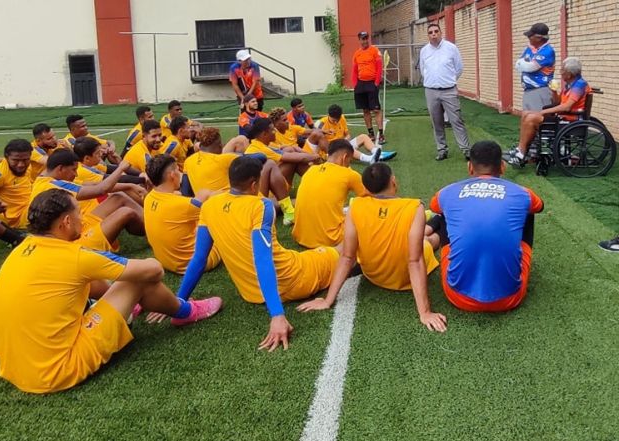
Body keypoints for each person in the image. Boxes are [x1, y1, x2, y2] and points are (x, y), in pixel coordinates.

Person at [0, 188, 222, 394]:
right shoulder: (75, 257)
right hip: (58, 370)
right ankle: (186, 312)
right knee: (139, 278)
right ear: (67, 222)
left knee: (95, 281)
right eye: (79, 214)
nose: (84, 218)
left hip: (15, 369)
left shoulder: (22, 249)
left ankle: (137, 305)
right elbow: (154, 270)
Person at [177, 157, 340, 351]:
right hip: (294, 278)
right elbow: (263, 259)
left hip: (250, 293)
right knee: (342, 250)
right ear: (254, 184)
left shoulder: (210, 205)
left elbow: (199, 258)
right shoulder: (261, 205)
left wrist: (179, 301)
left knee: (315, 253)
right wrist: (277, 315)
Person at [297, 163, 448, 333]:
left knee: (420, 237)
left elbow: (348, 256)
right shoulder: (414, 206)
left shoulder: (356, 206)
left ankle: (435, 221)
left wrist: (327, 300)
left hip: (374, 276)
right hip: (404, 277)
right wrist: (425, 312)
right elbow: (415, 260)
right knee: (427, 241)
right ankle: (439, 220)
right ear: (393, 181)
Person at [430, 141, 544, 312]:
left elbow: (434, 207)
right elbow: (540, 206)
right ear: (503, 167)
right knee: (528, 211)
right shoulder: (523, 193)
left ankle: (429, 237)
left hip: (457, 297)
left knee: (444, 213)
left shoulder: (447, 192)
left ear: (470, 167)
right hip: (510, 298)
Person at [32, 150, 144, 252]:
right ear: (60, 169)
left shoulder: (43, 180)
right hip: (74, 238)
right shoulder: (53, 185)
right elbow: (101, 189)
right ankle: (154, 228)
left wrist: (129, 186)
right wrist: (121, 168)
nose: (75, 174)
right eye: (74, 170)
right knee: (125, 211)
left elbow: (93, 184)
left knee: (118, 197)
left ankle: (152, 223)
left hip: (73, 227)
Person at [505, 57, 591, 167]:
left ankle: (521, 154)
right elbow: (558, 102)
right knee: (526, 114)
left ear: (569, 74)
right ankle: (521, 149)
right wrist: (554, 91)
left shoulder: (579, 85)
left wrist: (544, 112)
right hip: (563, 117)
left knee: (532, 118)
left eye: (562, 71)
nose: (560, 73)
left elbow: (566, 107)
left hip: (569, 120)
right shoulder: (570, 84)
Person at [144, 155, 221, 274]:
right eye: (177, 169)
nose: (180, 172)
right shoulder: (182, 205)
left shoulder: (149, 198)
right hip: (195, 263)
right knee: (218, 210)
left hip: (166, 261)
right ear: (172, 175)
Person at [292, 139, 367, 249]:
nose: (348, 165)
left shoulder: (311, 170)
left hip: (300, 237)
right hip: (330, 239)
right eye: (349, 161)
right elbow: (370, 198)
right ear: (345, 157)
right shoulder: (349, 174)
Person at [419, 23, 471, 161]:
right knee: (437, 122)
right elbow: (423, 69)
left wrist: (448, 80)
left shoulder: (451, 48)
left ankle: (466, 150)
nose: (434, 34)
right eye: (430, 32)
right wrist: (433, 82)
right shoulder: (424, 51)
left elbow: (459, 68)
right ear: (428, 35)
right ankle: (442, 150)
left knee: (457, 120)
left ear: (441, 33)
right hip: (431, 91)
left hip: (449, 90)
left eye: (436, 31)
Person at [0, 139, 36, 228]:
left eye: (25, 160)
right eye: (16, 160)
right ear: (6, 157)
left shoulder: (28, 167)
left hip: (30, 206)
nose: (21, 165)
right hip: (17, 218)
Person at [315, 104, 394, 163]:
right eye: (333, 120)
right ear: (328, 115)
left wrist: (346, 140)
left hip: (342, 143)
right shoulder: (321, 124)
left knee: (363, 136)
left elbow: (348, 135)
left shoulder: (342, 118)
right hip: (331, 152)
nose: (335, 122)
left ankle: (377, 153)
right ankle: (369, 159)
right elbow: (319, 142)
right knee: (346, 147)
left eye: (337, 120)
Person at [182, 127, 248, 194]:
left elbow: (185, 190)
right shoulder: (225, 159)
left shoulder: (188, 161)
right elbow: (252, 159)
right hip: (225, 201)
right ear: (220, 145)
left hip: (202, 201)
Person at [352, 31, 385, 145]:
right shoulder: (357, 54)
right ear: (359, 40)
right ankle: (370, 133)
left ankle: (381, 134)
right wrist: (355, 84)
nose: (365, 41)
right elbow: (355, 70)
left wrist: (376, 82)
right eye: (363, 38)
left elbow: (379, 67)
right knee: (365, 110)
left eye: (366, 38)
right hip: (361, 84)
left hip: (372, 83)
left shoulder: (374, 51)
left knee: (376, 109)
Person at [72, 137, 146, 187]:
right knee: (124, 190)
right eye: (98, 153)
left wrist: (141, 174)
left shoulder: (90, 164)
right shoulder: (82, 171)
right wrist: (144, 179)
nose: (101, 154)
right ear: (87, 158)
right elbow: (119, 179)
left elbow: (113, 168)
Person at [516, 23, 555, 111]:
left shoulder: (547, 51)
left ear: (539, 38)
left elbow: (530, 67)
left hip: (540, 90)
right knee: (527, 119)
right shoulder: (530, 49)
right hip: (528, 90)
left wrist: (523, 64)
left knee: (536, 120)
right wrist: (522, 64)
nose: (528, 38)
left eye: (530, 36)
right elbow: (517, 65)